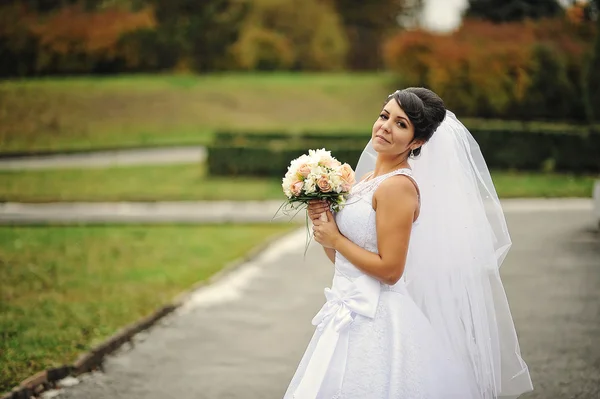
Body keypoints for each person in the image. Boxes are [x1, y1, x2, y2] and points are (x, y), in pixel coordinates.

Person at [283, 88, 533, 399]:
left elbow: (390, 270)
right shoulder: (363, 183)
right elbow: (345, 261)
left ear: (417, 142)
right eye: (384, 116)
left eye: (401, 124)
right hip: (346, 311)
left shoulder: (398, 187)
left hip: (378, 321)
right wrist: (324, 226)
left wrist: (335, 238)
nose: (385, 126)